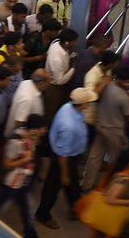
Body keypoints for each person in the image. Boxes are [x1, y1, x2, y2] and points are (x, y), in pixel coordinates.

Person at [34, 87, 97, 229]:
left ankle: (77, 208)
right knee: (53, 188)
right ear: (82, 104)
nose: (90, 104)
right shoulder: (69, 125)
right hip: (62, 159)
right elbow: (63, 154)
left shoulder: (68, 107)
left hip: (70, 156)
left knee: (72, 184)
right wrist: (64, 174)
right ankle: (42, 214)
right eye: (88, 102)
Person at [0, 113, 46, 238]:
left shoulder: (31, 137)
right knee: (3, 205)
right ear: (34, 129)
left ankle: (30, 233)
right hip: (13, 183)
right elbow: (7, 164)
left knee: (25, 209)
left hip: (23, 181)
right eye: (42, 128)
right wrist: (26, 159)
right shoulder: (16, 142)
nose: (44, 131)